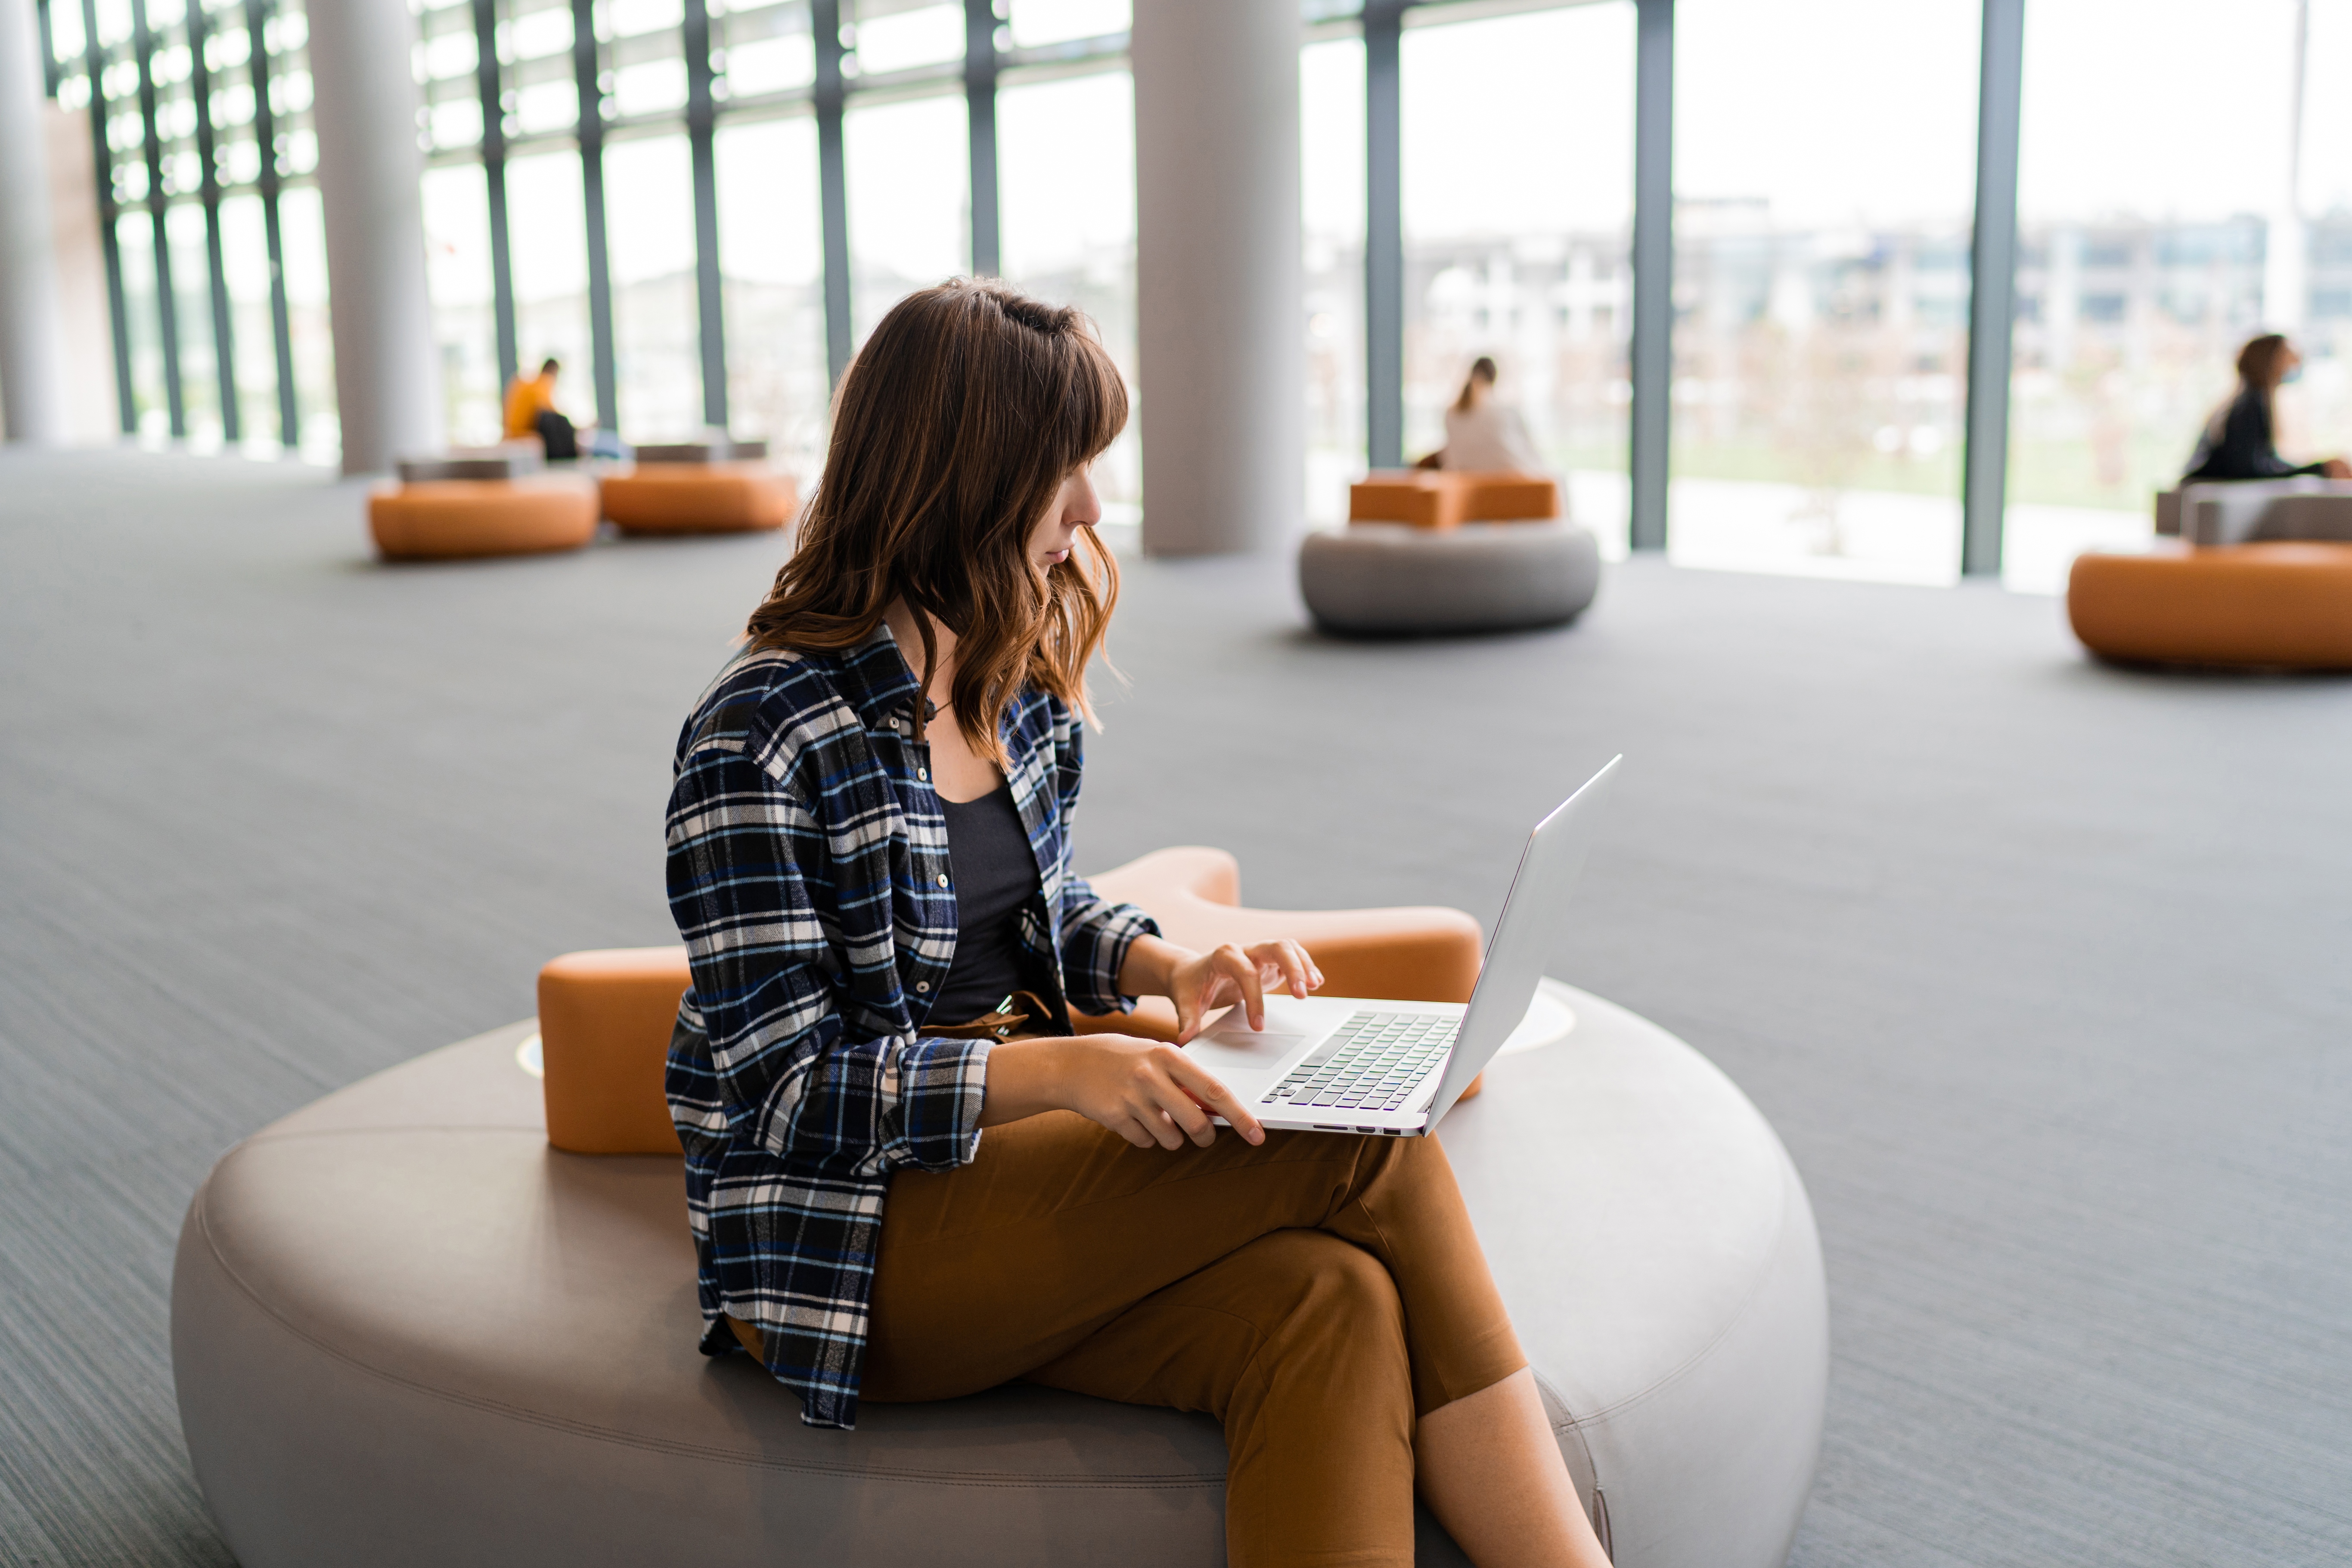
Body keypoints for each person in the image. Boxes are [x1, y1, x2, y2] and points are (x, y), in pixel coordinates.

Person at [662, 279, 1613, 1568]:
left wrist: (1170, 964)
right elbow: (783, 1086)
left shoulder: (1007, 673)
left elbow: (1034, 903)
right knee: (1369, 1147)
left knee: (1327, 1301)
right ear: (964, 475)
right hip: (855, 1245)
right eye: (1065, 471)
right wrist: (1065, 1066)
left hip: (1017, 1181)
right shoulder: (759, 734)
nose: (1093, 510)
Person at [2182, 333, 2352, 482]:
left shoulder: (2251, 401)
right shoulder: (2248, 406)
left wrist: (2319, 469)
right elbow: (2251, 472)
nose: (2296, 361)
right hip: (2206, 501)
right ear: (2269, 360)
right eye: (2287, 354)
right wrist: (2318, 469)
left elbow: (2265, 464)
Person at [1434, 355, 1545, 474]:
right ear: (1494, 379)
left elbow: (1451, 458)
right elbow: (1529, 452)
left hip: (1466, 485)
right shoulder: (1505, 413)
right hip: (1511, 479)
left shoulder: (1451, 413)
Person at [503, 356, 583, 460]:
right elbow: (551, 413)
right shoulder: (544, 382)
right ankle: (566, 461)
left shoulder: (527, 383)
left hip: (511, 432)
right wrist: (575, 429)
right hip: (523, 433)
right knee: (560, 423)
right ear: (555, 372)